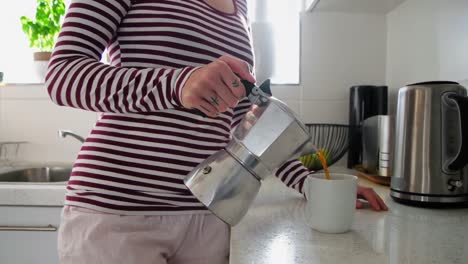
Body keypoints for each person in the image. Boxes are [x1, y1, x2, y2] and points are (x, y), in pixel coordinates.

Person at [46, 0, 388, 263]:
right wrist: (178, 83)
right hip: (118, 214)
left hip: (209, 215)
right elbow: (62, 75)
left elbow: (246, 123)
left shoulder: (240, 5)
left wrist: (309, 185)